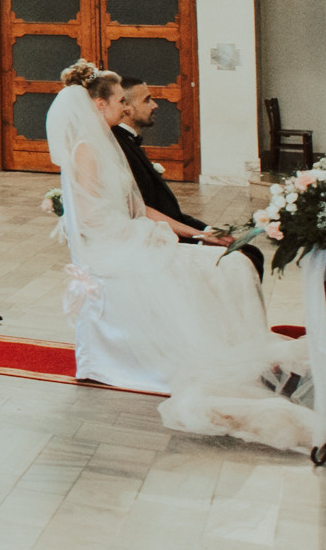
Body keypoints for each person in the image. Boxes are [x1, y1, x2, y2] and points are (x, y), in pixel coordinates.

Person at [49, 62, 310, 450]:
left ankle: (241, 352)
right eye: (121, 101)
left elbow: (139, 208)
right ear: (99, 105)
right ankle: (216, 359)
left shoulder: (107, 145)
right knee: (211, 270)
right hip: (111, 250)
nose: (126, 107)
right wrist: (147, 235)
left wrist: (198, 233)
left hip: (133, 237)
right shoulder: (86, 150)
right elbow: (90, 220)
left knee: (235, 263)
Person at [116, 77, 264, 276]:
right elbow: (141, 210)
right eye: (147, 100)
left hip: (171, 226)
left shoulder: (128, 142)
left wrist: (209, 230)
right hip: (158, 236)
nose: (155, 105)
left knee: (248, 251)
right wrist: (201, 235)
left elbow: (167, 210)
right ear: (125, 106)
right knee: (247, 257)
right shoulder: (119, 147)